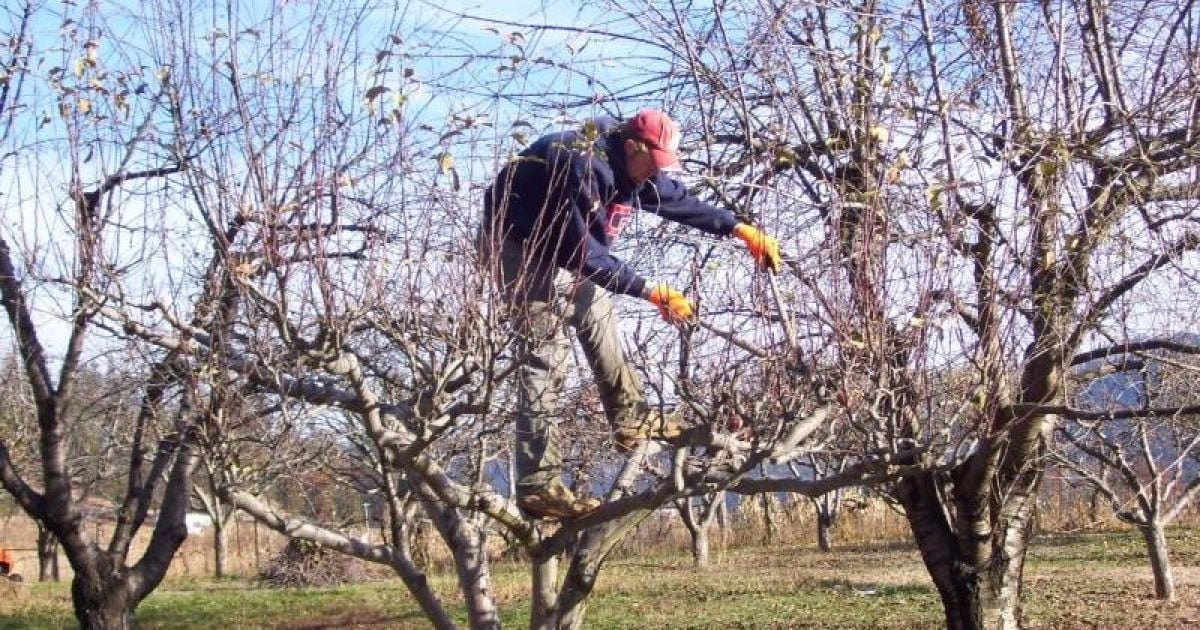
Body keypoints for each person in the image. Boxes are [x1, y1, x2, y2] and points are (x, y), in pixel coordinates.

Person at [481, 109, 781, 518]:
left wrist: (738, 229)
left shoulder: (635, 168)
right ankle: (537, 486)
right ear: (631, 147)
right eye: (652, 165)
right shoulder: (578, 162)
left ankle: (630, 421)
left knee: (599, 315)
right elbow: (582, 253)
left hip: (562, 246)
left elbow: (677, 200)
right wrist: (650, 291)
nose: (653, 175)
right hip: (515, 244)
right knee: (545, 353)